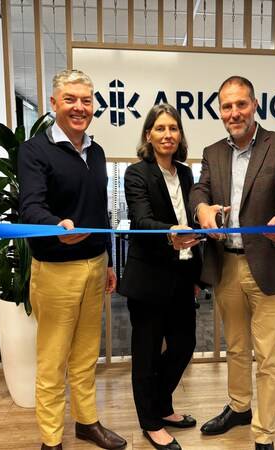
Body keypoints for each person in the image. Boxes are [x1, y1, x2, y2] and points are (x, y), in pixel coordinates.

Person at [189, 76, 275, 450]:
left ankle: (264, 434)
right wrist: (202, 208)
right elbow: (200, 189)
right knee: (236, 348)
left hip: (271, 265)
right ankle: (239, 406)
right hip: (227, 265)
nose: (234, 112)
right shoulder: (213, 152)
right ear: (219, 110)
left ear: (255, 105)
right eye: (227, 106)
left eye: (241, 104)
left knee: (268, 356)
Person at [18, 69, 127, 450]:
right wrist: (56, 227)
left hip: (95, 266)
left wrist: (110, 261)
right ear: (53, 104)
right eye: (70, 100)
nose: (79, 108)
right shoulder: (35, 151)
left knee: (85, 356)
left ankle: (86, 422)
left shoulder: (95, 153)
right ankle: (51, 441)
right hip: (55, 272)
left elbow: (100, 215)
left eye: (85, 100)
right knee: (52, 362)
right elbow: (30, 207)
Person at [117, 104, 202, 450]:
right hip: (149, 278)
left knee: (185, 345)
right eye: (160, 128)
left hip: (183, 274)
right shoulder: (136, 174)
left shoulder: (185, 174)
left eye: (174, 128)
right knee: (147, 353)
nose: (168, 134)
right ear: (148, 135)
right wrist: (171, 233)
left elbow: (191, 219)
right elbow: (140, 221)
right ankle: (150, 421)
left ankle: (161, 405)